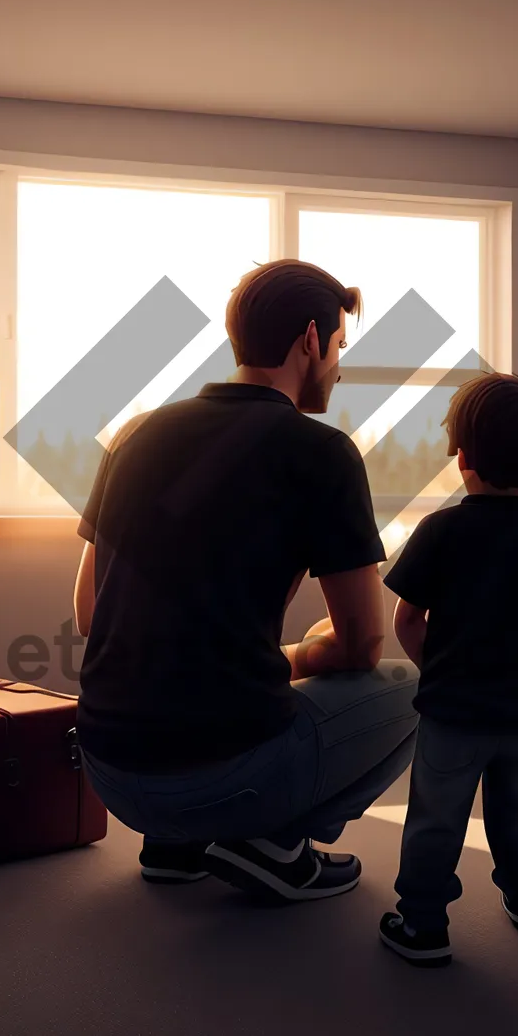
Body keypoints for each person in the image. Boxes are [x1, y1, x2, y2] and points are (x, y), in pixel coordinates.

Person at [72, 259, 420, 903]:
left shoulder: (137, 435)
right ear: (310, 340)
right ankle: (273, 848)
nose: (339, 367)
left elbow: (91, 615)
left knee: (217, 693)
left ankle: (174, 849)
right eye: (340, 346)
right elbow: (363, 645)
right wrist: (303, 653)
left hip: (110, 773)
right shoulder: (320, 451)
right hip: (219, 779)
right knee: (414, 689)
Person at [376, 372, 518, 967]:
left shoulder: (441, 530)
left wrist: (441, 668)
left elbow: (407, 621)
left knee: (435, 820)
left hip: (454, 713)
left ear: (462, 456)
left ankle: (422, 924)